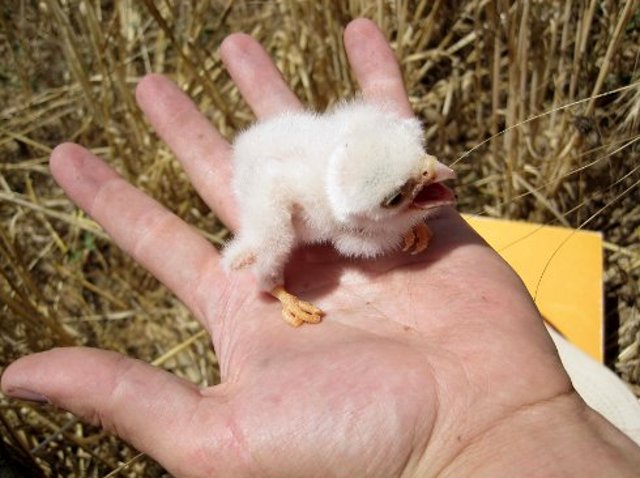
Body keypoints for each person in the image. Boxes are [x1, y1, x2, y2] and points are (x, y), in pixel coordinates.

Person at [2, 18, 640, 478]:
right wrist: (273, 280)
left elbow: (381, 151)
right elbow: (283, 206)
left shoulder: (373, 160)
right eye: (403, 195)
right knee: (274, 243)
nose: (437, 180)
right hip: (284, 189)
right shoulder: (341, 215)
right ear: (365, 213)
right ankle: (281, 281)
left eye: (423, 167)